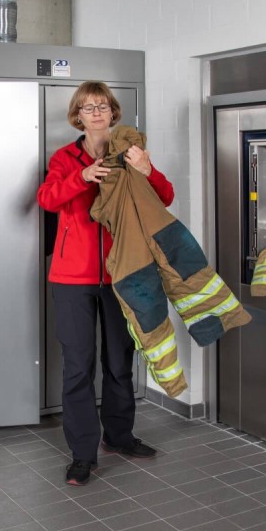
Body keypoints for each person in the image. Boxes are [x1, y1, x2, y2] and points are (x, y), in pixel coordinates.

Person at [37, 81, 175, 486]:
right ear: (77, 115)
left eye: (103, 106)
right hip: (71, 277)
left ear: (113, 113)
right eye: (87, 107)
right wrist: (82, 176)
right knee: (78, 367)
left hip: (123, 273)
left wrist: (147, 169)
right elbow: (47, 199)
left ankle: (120, 437)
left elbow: (163, 197)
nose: (96, 112)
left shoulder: (130, 153)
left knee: (120, 361)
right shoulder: (64, 158)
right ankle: (83, 454)